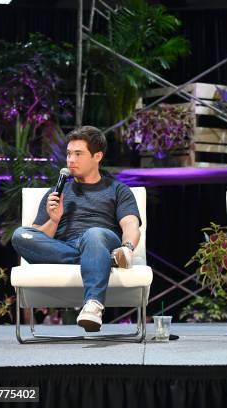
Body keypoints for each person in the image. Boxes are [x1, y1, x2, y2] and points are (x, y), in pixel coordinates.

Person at [11, 126, 141, 332]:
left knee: (93, 234)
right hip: (67, 247)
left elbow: (131, 224)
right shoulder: (56, 193)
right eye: (69, 154)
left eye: (78, 154)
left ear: (97, 156)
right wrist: (54, 220)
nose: (70, 160)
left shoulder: (117, 190)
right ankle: (101, 259)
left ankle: (93, 305)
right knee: (20, 235)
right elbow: (36, 236)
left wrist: (126, 248)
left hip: (102, 239)